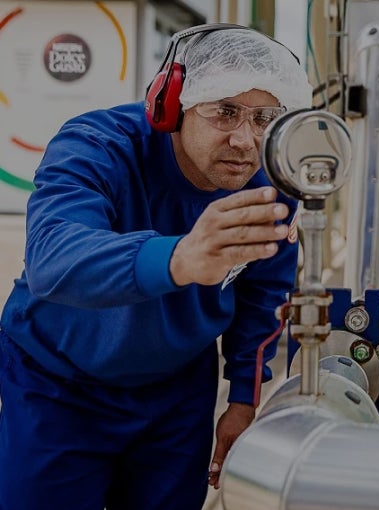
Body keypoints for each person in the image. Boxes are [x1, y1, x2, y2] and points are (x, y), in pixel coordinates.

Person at [0, 24, 311, 510]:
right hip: (57, 384)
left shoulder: (269, 182)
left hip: (176, 391)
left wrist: (244, 398)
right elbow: (52, 259)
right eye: (225, 112)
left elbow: (262, 293)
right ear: (170, 104)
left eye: (265, 118)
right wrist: (179, 257)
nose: (246, 141)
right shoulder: (95, 147)